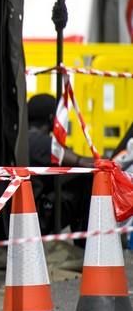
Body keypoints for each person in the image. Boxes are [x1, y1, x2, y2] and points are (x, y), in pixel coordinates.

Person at [27, 93, 94, 237]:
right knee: (86, 180)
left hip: (19, 213)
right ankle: (85, 244)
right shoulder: (44, 143)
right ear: (52, 118)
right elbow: (81, 163)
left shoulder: (23, 139)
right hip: (35, 218)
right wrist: (109, 161)